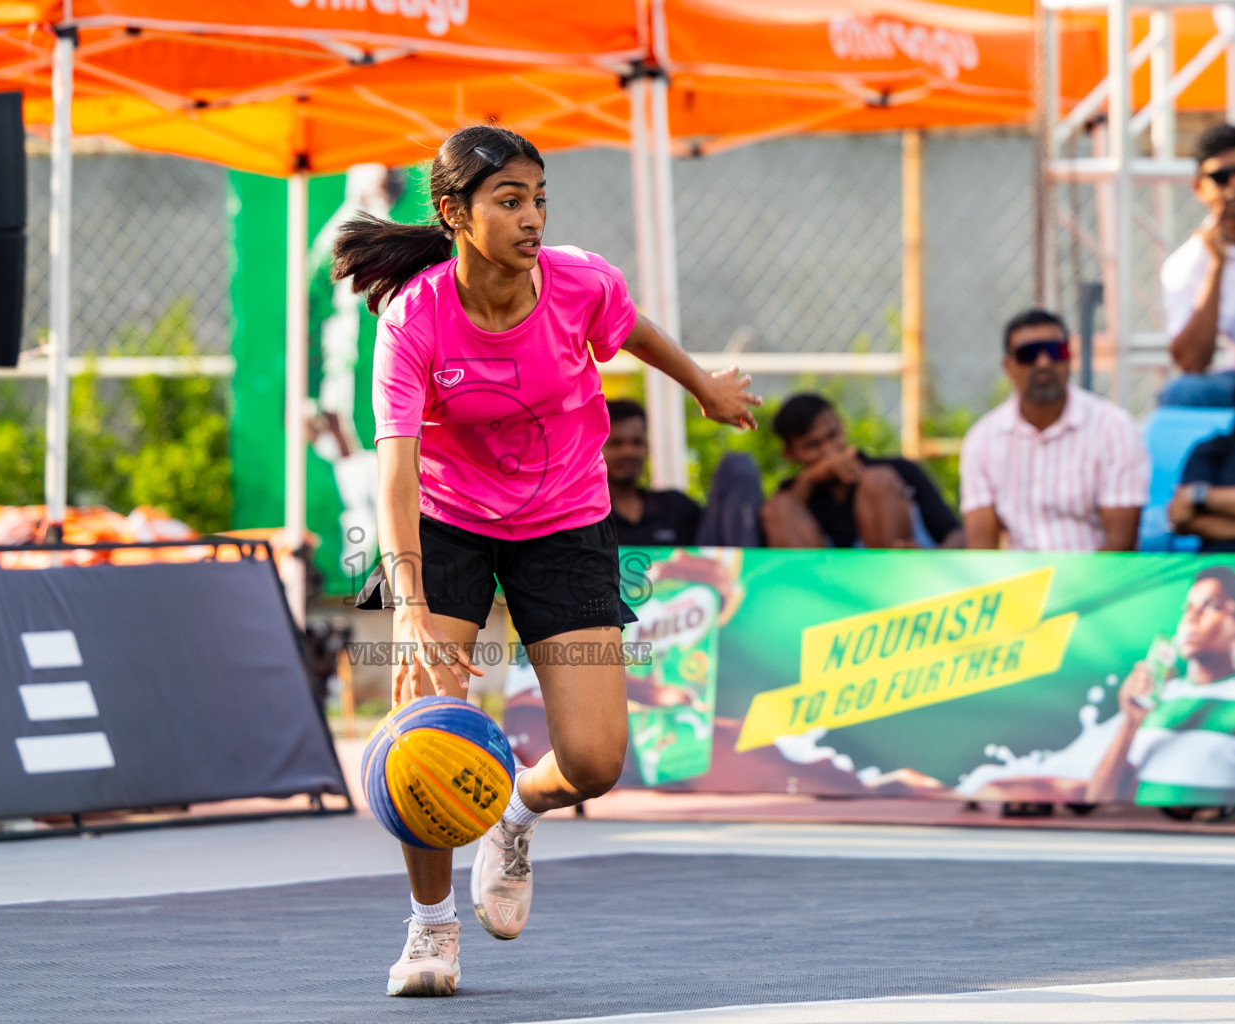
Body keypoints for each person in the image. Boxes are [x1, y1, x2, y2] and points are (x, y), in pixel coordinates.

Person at [332, 125, 757, 997]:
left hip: (563, 516)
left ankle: (514, 809)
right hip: (446, 520)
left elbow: (629, 326)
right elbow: (397, 467)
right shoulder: (414, 318)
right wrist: (407, 601)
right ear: (455, 214)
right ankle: (430, 931)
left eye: (539, 199)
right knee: (423, 727)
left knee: (596, 760)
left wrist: (704, 385)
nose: (532, 218)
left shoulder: (576, 282)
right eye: (509, 201)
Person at [959, 309, 1149, 551]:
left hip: (1098, 582)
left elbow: (1120, 545)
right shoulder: (983, 439)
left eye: (1055, 351)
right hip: (1020, 585)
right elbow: (981, 549)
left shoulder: (1114, 428)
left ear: (1069, 357)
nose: (1043, 362)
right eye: (1028, 354)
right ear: (1008, 366)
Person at [1087, 567, 1235, 808]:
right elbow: (1097, 801)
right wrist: (1130, 722)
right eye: (1188, 609)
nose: (1192, 617)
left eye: (1211, 606)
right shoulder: (1158, 697)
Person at [761, 393, 962, 549]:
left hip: (909, 581)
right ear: (789, 453)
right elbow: (782, 516)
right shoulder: (792, 495)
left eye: (833, 435)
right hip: (833, 595)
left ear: (842, 425)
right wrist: (808, 480)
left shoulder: (898, 470)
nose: (829, 452)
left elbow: (959, 536)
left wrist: (933, 556)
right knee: (779, 507)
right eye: (813, 445)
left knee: (877, 481)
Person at [1159, 123, 1235, 408]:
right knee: (1181, 394)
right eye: (1221, 177)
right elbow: (1192, 363)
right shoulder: (1186, 265)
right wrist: (1216, 268)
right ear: (1198, 187)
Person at [1170, 330, 1235, 550]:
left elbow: (1190, 503)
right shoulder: (1212, 450)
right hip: (1222, 578)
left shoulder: (1204, 483)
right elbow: (1181, 518)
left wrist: (1202, 496)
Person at [603, 398, 702, 546]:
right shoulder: (583, 519)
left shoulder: (677, 508)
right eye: (616, 443)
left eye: (637, 442)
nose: (628, 452)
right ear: (594, 449)